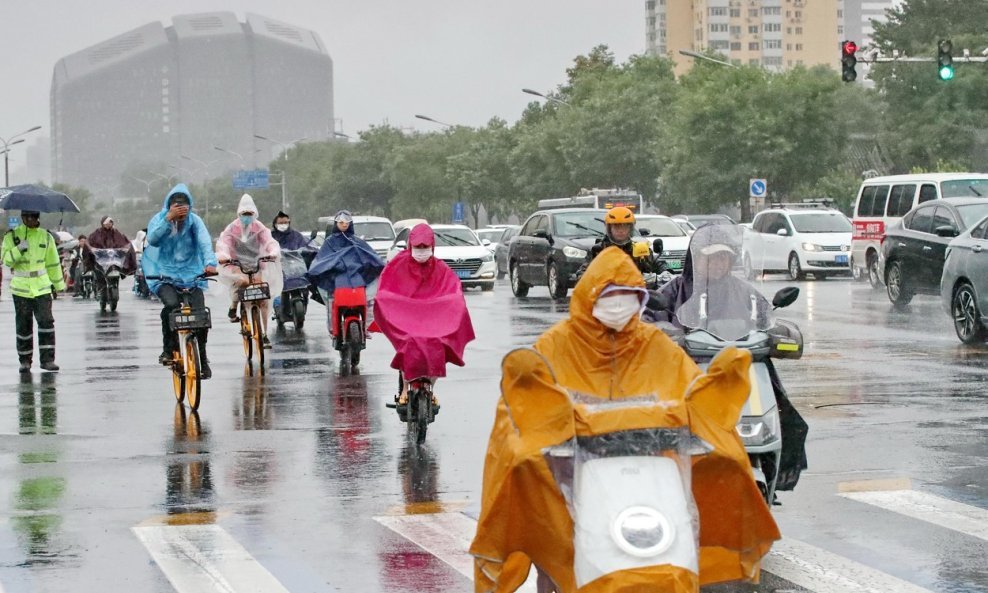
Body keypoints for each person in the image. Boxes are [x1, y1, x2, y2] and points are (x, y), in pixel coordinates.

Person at [470, 246, 780, 592]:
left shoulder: (656, 346)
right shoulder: (554, 347)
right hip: (571, 486)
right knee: (555, 555)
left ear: (640, 298)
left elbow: (694, 396)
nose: (618, 303)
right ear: (590, 296)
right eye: (610, 294)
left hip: (650, 485)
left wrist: (713, 424)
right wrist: (532, 444)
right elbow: (516, 416)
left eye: (628, 294)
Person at [652, 224, 808, 494]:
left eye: (723, 256)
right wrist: (664, 334)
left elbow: (765, 318)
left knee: (787, 417)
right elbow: (649, 322)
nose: (717, 262)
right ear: (696, 257)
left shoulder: (744, 292)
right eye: (709, 256)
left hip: (742, 372)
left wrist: (777, 333)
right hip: (686, 376)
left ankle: (773, 472)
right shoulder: (673, 291)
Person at [372, 224, 475, 410]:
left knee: (439, 344)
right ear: (410, 245)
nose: (421, 251)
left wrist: (455, 303)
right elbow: (385, 288)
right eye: (418, 248)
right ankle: (405, 389)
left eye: (425, 247)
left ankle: (431, 388)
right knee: (409, 344)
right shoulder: (397, 265)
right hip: (406, 320)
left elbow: (454, 290)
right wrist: (387, 301)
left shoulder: (441, 268)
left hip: (434, 321)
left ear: (432, 246)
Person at [144, 184, 218, 378]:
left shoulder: (195, 222)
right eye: (176, 207)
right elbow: (153, 240)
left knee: (200, 317)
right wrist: (168, 219)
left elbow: (204, 243)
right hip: (164, 275)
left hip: (192, 275)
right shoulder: (160, 219)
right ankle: (168, 349)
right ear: (169, 206)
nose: (181, 212)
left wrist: (210, 263)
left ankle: (202, 358)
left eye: (184, 207)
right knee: (172, 305)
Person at [1, 211, 67, 372]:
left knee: (46, 322)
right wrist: (18, 249)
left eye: (34, 217)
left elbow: (53, 262)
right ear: (23, 218)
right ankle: (25, 361)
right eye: (27, 217)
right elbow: (6, 260)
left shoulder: (46, 237)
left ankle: (47, 360)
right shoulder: (12, 236)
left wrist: (58, 286)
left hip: (42, 288)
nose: (31, 220)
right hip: (21, 288)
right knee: (23, 325)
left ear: (37, 218)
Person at [216, 194, 281, 348]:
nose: (247, 217)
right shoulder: (232, 228)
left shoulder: (259, 228)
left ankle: (264, 334)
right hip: (236, 263)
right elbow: (224, 244)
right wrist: (224, 256)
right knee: (242, 282)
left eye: (249, 214)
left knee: (263, 296)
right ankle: (234, 307)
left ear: (254, 214)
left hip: (257, 263)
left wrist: (272, 253)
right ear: (239, 214)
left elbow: (270, 242)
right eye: (244, 214)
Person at [307, 209, 384, 324]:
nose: (344, 224)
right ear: (336, 223)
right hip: (335, 277)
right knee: (330, 301)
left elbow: (370, 256)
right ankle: (333, 326)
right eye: (341, 222)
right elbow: (322, 260)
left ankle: (366, 325)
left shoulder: (356, 241)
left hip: (357, 276)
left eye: (346, 222)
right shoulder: (329, 242)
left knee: (370, 295)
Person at [580, 206, 662, 282]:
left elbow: (658, 264)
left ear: (630, 228)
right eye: (616, 226)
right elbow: (582, 273)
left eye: (624, 226)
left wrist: (666, 272)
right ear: (609, 228)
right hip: (608, 294)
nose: (621, 230)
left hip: (638, 293)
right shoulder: (598, 250)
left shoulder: (640, 249)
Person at [86, 215, 137, 300]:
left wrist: (125, 248)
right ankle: (101, 290)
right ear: (102, 223)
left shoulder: (116, 232)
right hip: (101, 260)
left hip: (113, 259)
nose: (108, 224)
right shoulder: (97, 233)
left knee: (117, 268)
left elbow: (123, 242)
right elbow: (90, 242)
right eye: (107, 223)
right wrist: (93, 250)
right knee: (99, 273)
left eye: (110, 222)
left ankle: (113, 286)